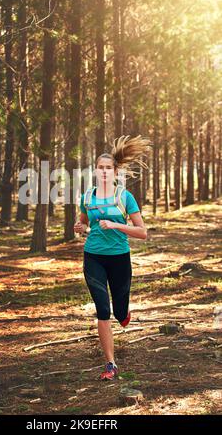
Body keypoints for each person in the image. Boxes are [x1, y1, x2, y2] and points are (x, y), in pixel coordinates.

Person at [74, 134, 151, 381]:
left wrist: (116, 225)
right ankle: (110, 364)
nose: (104, 172)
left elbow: (143, 232)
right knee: (102, 310)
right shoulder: (87, 197)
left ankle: (124, 312)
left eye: (109, 168)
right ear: (96, 171)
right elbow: (84, 223)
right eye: (100, 168)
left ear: (115, 172)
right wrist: (80, 227)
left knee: (119, 311)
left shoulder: (124, 197)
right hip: (93, 256)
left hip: (119, 257)